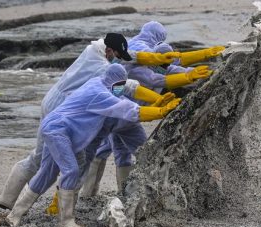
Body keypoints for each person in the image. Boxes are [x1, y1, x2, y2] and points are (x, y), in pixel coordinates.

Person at [0, 32, 181, 210]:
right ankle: (45, 205)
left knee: (43, 157)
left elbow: (132, 58)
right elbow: (127, 88)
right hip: (61, 108)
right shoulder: (101, 68)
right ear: (109, 50)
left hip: (55, 102)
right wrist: (157, 104)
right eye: (117, 55)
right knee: (61, 160)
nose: (119, 59)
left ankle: (8, 200)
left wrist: (157, 64)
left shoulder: (93, 50)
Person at [6, 64, 181, 227]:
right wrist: (160, 112)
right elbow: (126, 108)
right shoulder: (99, 94)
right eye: (119, 85)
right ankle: (66, 221)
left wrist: (156, 102)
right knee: (71, 170)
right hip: (58, 130)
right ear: (112, 82)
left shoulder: (99, 81)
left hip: (53, 126)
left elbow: (127, 92)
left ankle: (14, 215)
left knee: (48, 172)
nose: (121, 88)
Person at [80, 42, 219, 197]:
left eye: (166, 65)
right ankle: (90, 194)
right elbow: (155, 80)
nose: (164, 68)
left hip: (128, 119)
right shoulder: (139, 69)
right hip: (121, 116)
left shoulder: (165, 68)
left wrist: (211, 73)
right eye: (161, 64)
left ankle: (122, 193)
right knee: (133, 152)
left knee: (124, 153)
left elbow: (180, 68)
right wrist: (161, 108)